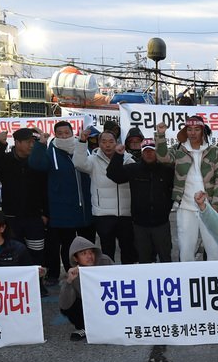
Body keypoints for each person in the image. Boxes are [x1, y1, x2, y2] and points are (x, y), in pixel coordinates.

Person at [156, 117, 218, 262]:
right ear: (185, 131)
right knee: (186, 251)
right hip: (186, 207)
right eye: (189, 129)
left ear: (202, 131)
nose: (193, 133)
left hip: (210, 208)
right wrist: (160, 135)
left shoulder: (214, 151)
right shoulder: (179, 149)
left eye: (197, 129)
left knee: (214, 250)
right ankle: (187, 282)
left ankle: (213, 282)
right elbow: (162, 158)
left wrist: (216, 204)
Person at [30, 121, 93, 282]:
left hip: (86, 207)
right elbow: (37, 165)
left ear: (72, 133)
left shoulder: (83, 147)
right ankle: (72, 274)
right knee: (68, 245)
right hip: (62, 209)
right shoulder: (50, 151)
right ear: (55, 135)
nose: (64, 136)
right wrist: (40, 144)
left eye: (67, 132)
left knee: (87, 244)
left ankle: (89, 275)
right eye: (60, 133)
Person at [59, 127, 134, 263]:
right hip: (103, 214)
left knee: (127, 249)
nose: (107, 145)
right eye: (104, 141)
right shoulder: (93, 159)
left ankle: (127, 277)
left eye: (111, 141)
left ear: (116, 143)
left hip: (125, 213)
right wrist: (82, 142)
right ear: (99, 143)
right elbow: (79, 163)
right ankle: (108, 277)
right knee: (107, 250)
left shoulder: (127, 159)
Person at [107, 138, 176, 264]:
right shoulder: (133, 169)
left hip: (161, 224)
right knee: (144, 260)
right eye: (145, 151)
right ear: (141, 153)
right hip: (140, 225)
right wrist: (118, 155)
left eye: (152, 151)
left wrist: (167, 206)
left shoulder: (167, 170)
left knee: (165, 258)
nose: (149, 154)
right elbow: (113, 175)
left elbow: (177, 187)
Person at [0, 127, 51, 270]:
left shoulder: (37, 161)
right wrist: (1, 144)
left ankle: (39, 284)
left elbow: (45, 189)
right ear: (17, 143)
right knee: (14, 253)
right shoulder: (6, 159)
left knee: (37, 252)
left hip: (34, 217)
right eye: (28, 142)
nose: (32, 145)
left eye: (34, 142)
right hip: (12, 217)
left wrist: (45, 213)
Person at [59, 236, 115, 341]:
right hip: (89, 304)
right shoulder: (74, 272)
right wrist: (69, 281)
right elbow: (64, 305)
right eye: (83, 254)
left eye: (91, 252)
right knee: (68, 306)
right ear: (76, 258)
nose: (89, 256)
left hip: (109, 300)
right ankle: (85, 327)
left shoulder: (105, 261)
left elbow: (121, 278)